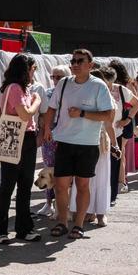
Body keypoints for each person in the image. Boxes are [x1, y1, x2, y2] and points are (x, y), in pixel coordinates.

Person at [43, 49, 114, 240]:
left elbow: (108, 115)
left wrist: (83, 113)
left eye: (79, 61)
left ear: (90, 65)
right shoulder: (64, 83)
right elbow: (51, 108)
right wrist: (47, 129)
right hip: (64, 141)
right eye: (73, 61)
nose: (74, 64)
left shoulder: (98, 86)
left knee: (83, 185)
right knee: (60, 185)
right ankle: (62, 222)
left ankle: (79, 224)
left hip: (87, 144)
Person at [0, 53, 40, 246]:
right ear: (25, 70)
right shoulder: (15, 88)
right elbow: (25, 115)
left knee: (25, 184)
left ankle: (23, 228)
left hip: (25, 137)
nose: (34, 72)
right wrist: (37, 101)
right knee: (8, 186)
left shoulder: (21, 89)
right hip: (16, 137)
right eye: (32, 68)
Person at [70, 67, 119, 226]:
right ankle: (86, 212)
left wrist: (115, 145)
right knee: (84, 179)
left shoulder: (107, 99)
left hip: (100, 143)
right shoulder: (79, 96)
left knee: (101, 178)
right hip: (82, 141)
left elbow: (109, 125)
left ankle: (100, 213)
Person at [37, 65, 70, 217]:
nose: (56, 80)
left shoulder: (72, 93)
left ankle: (65, 205)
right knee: (48, 169)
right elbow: (42, 115)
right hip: (50, 135)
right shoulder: (48, 93)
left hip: (67, 134)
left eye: (59, 77)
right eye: (53, 77)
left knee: (65, 170)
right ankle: (48, 203)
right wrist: (44, 131)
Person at [109, 61, 138, 195]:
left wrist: (126, 119)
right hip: (123, 121)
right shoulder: (127, 83)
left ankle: (121, 181)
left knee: (119, 153)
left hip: (123, 121)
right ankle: (120, 180)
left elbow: (135, 102)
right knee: (119, 153)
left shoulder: (125, 86)